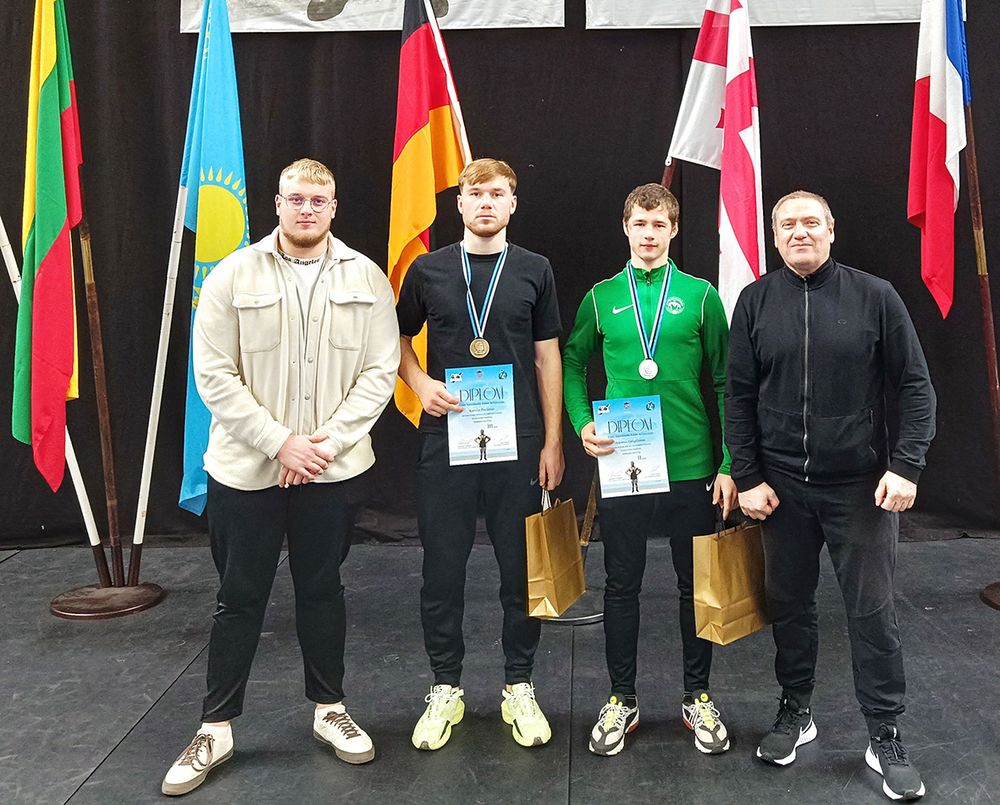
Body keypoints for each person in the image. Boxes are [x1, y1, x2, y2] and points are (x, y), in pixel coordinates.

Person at [161, 158, 400, 796]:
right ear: (276, 203)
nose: (306, 210)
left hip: (331, 467)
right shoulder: (232, 275)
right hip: (247, 470)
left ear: (334, 207)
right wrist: (279, 444)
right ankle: (215, 727)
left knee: (322, 590)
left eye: (318, 200)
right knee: (239, 597)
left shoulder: (367, 278)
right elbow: (214, 375)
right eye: (296, 199)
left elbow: (379, 372)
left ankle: (329, 709)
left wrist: (323, 445)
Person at [726, 190, 935, 801]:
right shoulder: (755, 301)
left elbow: (916, 387)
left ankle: (884, 733)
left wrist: (906, 466)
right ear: (774, 236)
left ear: (831, 230)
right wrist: (748, 477)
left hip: (859, 489)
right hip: (781, 490)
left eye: (810, 222)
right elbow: (737, 396)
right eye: (787, 224)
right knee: (789, 606)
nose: (799, 232)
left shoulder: (876, 296)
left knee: (872, 614)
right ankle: (796, 711)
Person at [562, 183, 738, 757]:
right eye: (640, 223)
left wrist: (728, 462)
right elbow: (571, 361)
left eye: (659, 224)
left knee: (695, 585)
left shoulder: (701, 296)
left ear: (674, 230)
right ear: (625, 227)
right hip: (625, 462)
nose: (649, 233)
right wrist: (582, 422)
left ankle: (697, 695)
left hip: (691, 463)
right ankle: (622, 698)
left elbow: (726, 384)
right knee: (622, 584)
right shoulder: (600, 297)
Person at [396, 157, 564, 751]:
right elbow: (394, 338)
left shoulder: (535, 269)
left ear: (512, 203)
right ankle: (445, 686)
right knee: (442, 569)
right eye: (476, 193)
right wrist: (419, 384)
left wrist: (553, 441)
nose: (486, 203)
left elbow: (547, 356)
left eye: (497, 194)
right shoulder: (428, 269)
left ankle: (519, 684)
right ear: (460, 203)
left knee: (521, 570)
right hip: (447, 439)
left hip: (518, 443)